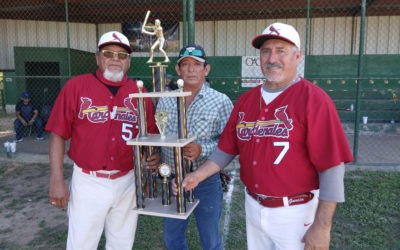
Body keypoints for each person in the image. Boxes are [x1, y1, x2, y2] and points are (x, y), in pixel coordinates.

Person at [180, 23, 354, 249]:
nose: (272, 58)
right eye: (265, 51)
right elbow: (226, 149)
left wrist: (322, 226)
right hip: (253, 207)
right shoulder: (246, 101)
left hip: (296, 212)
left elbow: (332, 166)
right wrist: (198, 176)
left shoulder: (315, 100)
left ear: (297, 56)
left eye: (281, 50)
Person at [46, 31, 160, 250]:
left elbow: (149, 136)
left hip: (128, 181)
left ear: (128, 61)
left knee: (121, 244)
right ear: (97, 57)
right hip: (89, 181)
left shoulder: (139, 92)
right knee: (81, 245)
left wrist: (152, 155)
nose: (115, 59)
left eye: (122, 55)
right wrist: (56, 179)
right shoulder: (76, 87)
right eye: (108, 53)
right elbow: (57, 134)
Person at [157, 44, 233, 250]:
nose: (191, 69)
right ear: (178, 69)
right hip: (172, 181)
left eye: (196, 65)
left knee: (210, 239)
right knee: (172, 239)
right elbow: (159, 135)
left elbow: (230, 144)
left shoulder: (220, 101)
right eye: (186, 64)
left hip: (206, 181)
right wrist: (155, 156)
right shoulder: (165, 100)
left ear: (206, 69)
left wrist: (203, 149)